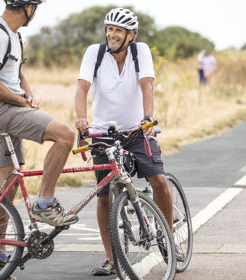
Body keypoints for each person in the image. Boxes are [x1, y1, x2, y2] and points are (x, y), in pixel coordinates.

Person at [0, 0, 78, 277]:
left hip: (2, 109)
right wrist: (21, 103)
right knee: (66, 135)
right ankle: (45, 203)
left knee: (8, 187)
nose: (36, 13)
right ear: (28, 7)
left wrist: (27, 93)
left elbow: (15, 72)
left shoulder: (13, 35)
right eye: (36, 7)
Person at [74, 8, 177, 276]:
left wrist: (148, 118)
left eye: (118, 30)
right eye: (109, 29)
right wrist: (82, 118)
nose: (112, 34)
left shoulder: (140, 51)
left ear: (130, 35)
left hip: (136, 130)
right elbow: (82, 87)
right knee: (104, 197)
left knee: (159, 181)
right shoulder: (94, 54)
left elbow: (147, 85)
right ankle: (111, 258)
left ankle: (166, 238)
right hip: (102, 133)